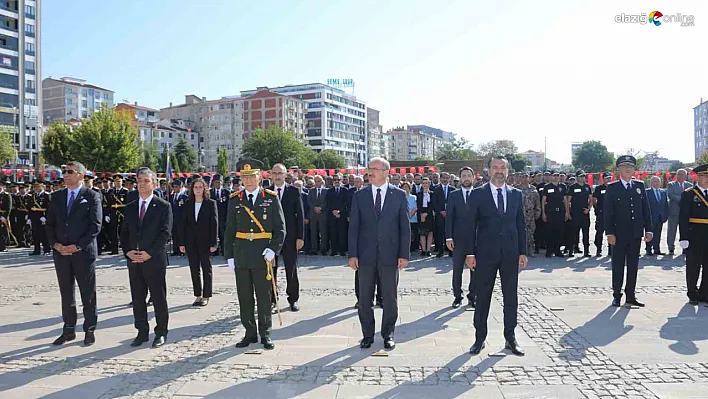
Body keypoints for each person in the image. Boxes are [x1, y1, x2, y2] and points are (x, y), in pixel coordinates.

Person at [466, 156, 527, 357]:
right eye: (495, 167)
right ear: (489, 171)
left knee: (511, 297)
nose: (499, 171)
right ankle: (479, 338)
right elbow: (469, 227)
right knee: (483, 297)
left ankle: (510, 337)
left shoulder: (516, 195)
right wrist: (469, 253)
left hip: (510, 254)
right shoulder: (477, 194)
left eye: (502, 167)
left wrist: (522, 251)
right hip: (485, 254)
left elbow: (520, 225)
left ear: (507, 171)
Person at [348, 157, 410, 350]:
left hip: (390, 255)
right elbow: (354, 228)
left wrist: (404, 254)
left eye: (374, 169)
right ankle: (367, 335)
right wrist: (352, 254)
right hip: (365, 256)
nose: (370, 172)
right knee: (365, 298)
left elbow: (404, 227)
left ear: (385, 172)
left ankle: (388, 334)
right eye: (369, 169)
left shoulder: (399, 195)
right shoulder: (360, 196)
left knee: (390, 298)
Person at [225, 159, 285, 350]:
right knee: (244, 296)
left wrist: (273, 249)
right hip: (242, 254)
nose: (248, 180)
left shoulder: (270, 197)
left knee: (264, 296)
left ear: (260, 177)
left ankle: (265, 333)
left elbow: (280, 229)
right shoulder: (235, 199)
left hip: (262, 254)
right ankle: (249, 333)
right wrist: (229, 255)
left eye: (252, 176)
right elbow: (229, 230)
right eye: (244, 177)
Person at [45, 161, 103, 347]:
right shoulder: (56, 197)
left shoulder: (92, 196)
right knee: (66, 293)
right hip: (61, 253)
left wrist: (77, 246)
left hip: (82, 253)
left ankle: (90, 329)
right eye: (64, 172)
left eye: (70, 171)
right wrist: (55, 244)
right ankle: (69, 329)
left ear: (80, 175)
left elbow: (95, 226)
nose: (65, 175)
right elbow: (50, 224)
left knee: (88, 293)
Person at [121, 168, 172, 348]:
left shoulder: (163, 206)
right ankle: (142, 331)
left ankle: (161, 331)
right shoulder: (130, 206)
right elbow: (124, 233)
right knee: (137, 297)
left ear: (154, 184)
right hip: (134, 259)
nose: (142, 184)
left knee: (158, 297)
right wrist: (128, 251)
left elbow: (164, 234)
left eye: (146, 181)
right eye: (139, 180)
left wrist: (148, 253)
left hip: (154, 259)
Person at [604, 155, 652, 308]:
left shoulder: (639, 186)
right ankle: (617, 295)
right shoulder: (612, 188)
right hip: (618, 234)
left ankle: (630, 295)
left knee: (633, 265)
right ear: (618, 169)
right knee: (618, 264)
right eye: (624, 166)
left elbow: (646, 210)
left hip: (635, 233)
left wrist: (649, 229)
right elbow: (608, 213)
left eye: (630, 167)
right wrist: (609, 233)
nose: (628, 169)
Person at [269, 163, 305, 312]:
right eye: (274, 173)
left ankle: (293, 298)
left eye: (280, 173)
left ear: (285, 175)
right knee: (271, 270)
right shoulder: (266, 192)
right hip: (270, 238)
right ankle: (272, 299)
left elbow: (300, 216)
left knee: (291, 268)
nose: (277, 176)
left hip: (290, 237)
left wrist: (300, 237)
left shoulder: (293, 192)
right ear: (271, 175)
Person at [179, 177, 218, 307]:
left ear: (204, 188)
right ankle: (198, 295)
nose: (198, 190)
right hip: (191, 242)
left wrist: (214, 243)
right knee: (194, 269)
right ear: (192, 189)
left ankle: (206, 295)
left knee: (206, 268)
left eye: (200, 187)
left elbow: (214, 224)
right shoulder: (187, 203)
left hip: (206, 242)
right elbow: (183, 224)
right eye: (195, 187)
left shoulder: (210, 203)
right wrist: (182, 243)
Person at [445, 167, 476, 309]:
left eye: (469, 175)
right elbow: (449, 217)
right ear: (459, 178)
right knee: (457, 269)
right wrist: (449, 237)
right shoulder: (453, 195)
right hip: (457, 239)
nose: (466, 178)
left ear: (473, 178)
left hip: (476, 239)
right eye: (463, 176)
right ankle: (457, 296)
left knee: (475, 268)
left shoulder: (479, 194)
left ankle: (473, 296)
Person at [678, 164, 708, 305]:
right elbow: (683, 217)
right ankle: (692, 292)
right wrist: (683, 237)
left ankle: (705, 293)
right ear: (698, 177)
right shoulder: (689, 194)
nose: (707, 179)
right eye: (704, 176)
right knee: (693, 265)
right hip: (695, 234)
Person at [566, 171, 593, 257]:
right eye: (580, 176)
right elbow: (567, 201)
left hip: (584, 213)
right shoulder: (572, 187)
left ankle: (586, 251)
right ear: (577, 177)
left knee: (586, 233)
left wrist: (588, 209)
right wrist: (568, 212)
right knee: (573, 233)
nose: (582, 178)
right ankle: (571, 250)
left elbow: (591, 199)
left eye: (583, 176)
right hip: (575, 213)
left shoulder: (587, 187)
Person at [667, 168, 692, 255]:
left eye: (682, 174)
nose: (680, 176)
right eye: (679, 174)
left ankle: (685, 248)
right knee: (671, 231)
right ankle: (671, 248)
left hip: (686, 213)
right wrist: (683, 199)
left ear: (685, 176)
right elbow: (671, 195)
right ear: (676, 175)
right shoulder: (671, 185)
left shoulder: (689, 185)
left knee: (685, 231)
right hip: (674, 212)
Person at [542, 171, 566, 257]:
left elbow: (565, 200)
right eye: (554, 175)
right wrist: (543, 213)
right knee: (549, 232)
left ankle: (557, 250)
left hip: (560, 212)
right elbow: (544, 200)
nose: (556, 177)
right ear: (551, 177)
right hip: (550, 212)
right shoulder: (547, 187)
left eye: (557, 175)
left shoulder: (562, 186)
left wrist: (567, 212)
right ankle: (549, 250)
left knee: (559, 231)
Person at [519, 172, 541, 256]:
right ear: (520, 178)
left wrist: (538, 211)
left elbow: (537, 202)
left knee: (531, 232)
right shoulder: (516, 189)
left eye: (526, 177)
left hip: (530, 214)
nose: (524, 178)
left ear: (529, 178)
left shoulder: (533, 189)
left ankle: (531, 249)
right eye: (523, 177)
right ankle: (521, 251)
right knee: (520, 232)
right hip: (520, 214)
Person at [431, 172, 453, 257]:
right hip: (439, 215)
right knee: (440, 233)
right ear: (441, 179)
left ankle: (451, 250)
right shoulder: (436, 189)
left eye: (447, 178)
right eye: (444, 178)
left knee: (450, 233)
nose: (445, 179)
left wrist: (449, 212)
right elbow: (434, 202)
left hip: (450, 216)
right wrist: (440, 211)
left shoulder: (453, 189)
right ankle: (440, 251)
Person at [646, 176, 669, 256]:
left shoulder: (663, 192)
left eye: (658, 181)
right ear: (651, 183)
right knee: (649, 233)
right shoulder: (647, 192)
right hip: (651, 217)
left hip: (660, 217)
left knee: (658, 234)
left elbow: (666, 205)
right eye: (655, 181)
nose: (657, 183)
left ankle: (657, 249)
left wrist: (666, 215)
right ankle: (648, 249)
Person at [106, 175, 128, 255]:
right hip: (113, 213)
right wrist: (107, 214)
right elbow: (108, 204)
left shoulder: (126, 191)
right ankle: (114, 250)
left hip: (122, 213)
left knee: (123, 232)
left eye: (119, 181)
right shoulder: (110, 192)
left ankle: (125, 250)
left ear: (122, 182)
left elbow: (128, 204)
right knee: (113, 232)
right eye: (116, 181)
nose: (117, 183)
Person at [209, 174, 231, 256]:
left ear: (222, 183)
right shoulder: (210, 193)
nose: (218, 184)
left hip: (223, 218)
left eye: (219, 182)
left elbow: (229, 206)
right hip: (212, 218)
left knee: (223, 235)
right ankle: (214, 251)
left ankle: (224, 251)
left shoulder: (227, 192)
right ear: (213, 183)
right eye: (216, 182)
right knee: (214, 235)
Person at [327, 174, 348, 256]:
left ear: (341, 180)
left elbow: (346, 202)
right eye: (335, 180)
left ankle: (342, 251)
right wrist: (333, 211)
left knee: (342, 233)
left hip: (341, 215)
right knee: (333, 233)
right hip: (332, 215)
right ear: (332, 181)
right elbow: (328, 202)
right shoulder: (329, 191)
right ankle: (334, 250)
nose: (336, 181)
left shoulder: (345, 190)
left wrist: (339, 211)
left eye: (338, 179)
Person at [307, 175, 328, 255]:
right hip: (313, 214)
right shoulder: (311, 191)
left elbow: (326, 201)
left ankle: (323, 249)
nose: (317, 183)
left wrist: (321, 208)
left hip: (322, 214)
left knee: (323, 232)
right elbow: (309, 201)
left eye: (318, 181)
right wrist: (314, 208)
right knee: (313, 232)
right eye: (315, 181)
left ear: (322, 182)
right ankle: (314, 249)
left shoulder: (326, 191)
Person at [29, 179, 51, 255]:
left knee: (44, 235)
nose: (36, 188)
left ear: (42, 186)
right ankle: (36, 250)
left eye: (37, 186)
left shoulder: (47, 195)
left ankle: (46, 250)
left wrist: (45, 217)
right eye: (34, 187)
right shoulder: (33, 196)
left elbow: (50, 208)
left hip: (43, 218)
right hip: (35, 218)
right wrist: (29, 218)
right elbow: (30, 208)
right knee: (35, 234)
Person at [593, 172, 611, 257]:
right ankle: (598, 249)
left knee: (611, 232)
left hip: (611, 214)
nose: (609, 179)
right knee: (599, 232)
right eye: (607, 178)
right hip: (601, 213)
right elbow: (594, 199)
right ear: (603, 179)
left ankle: (611, 250)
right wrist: (596, 209)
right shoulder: (599, 188)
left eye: (610, 178)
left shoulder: (614, 188)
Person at [416, 177, 435, 256]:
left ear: (429, 184)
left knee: (430, 232)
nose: (425, 185)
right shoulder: (419, 194)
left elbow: (433, 205)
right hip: (421, 214)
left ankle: (428, 250)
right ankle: (423, 250)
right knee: (422, 233)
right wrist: (421, 214)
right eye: (423, 183)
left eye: (426, 183)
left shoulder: (432, 194)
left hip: (429, 214)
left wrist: (427, 214)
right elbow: (418, 205)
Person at [169, 180, 188, 256]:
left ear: (180, 187)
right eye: (173, 187)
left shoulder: (184, 197)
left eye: (176, 187)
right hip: (173, 219)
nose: (174, 188)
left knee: (181, 235)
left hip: (181, 219)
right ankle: (175, 249)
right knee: (174, 234)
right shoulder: (171, 196)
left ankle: (181, 250)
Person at [402, 182, 418, 253]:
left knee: (412, 234)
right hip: (403, 218)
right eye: (403, 187)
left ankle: (413, 247)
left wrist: (409, 216)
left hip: (412, 218)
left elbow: (415, 207)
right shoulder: (400, 197)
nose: (405, 189)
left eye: (406, 187)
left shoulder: (414, 197)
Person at [0, 180, 12, 251]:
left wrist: (4, 216)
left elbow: (9, 207)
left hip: (3, 215)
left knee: (4, 231)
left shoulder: (6, 195)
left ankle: (3, 246)